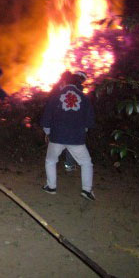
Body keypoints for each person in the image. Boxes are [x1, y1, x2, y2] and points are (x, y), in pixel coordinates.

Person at [40, 70, 96, 201]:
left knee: (50, 161)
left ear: (66, 81)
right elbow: (89, 121)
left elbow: (47, 117)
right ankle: (87, 190)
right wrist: (82, 131)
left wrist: (48, 132)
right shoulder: (84, 97)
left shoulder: (56, 95)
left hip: (57, 136)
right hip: (76, 138)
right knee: (86, 163)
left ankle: (51, 187)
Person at [63, 71, 88, 172]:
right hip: (73, 119)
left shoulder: (64, 84)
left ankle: (66, 163)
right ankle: (69, 165)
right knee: (72, 142)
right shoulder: (78, 88)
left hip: (62, 118)